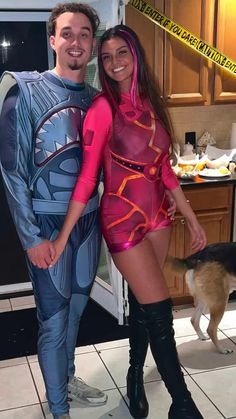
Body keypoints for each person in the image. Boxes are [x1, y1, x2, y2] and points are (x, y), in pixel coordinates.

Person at [50, 24, 207, 419]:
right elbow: (87, 178)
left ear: (136, 56)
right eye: (106, 57)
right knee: (160, 311)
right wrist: (62, 237)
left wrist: (191, 219)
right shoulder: (104, 109)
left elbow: (165, 171)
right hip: (122, 222)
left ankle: (135, 376)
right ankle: (183, 405)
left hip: (159, 218)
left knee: (142, 302)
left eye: (122, 53)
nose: (115, 62)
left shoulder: (154, 104)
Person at [0, 3, 109, 419]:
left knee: (78, 312)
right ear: (52, 40)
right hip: (47, 224)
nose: (75, 41)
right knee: (53, 320)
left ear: (93, 44)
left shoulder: (99, 99)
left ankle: (65, 379)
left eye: (84, 33)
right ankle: (58, 410)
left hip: (87, 223)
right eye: (67, 33)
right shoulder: (24, 90)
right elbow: (12, 172)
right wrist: (31, 238)